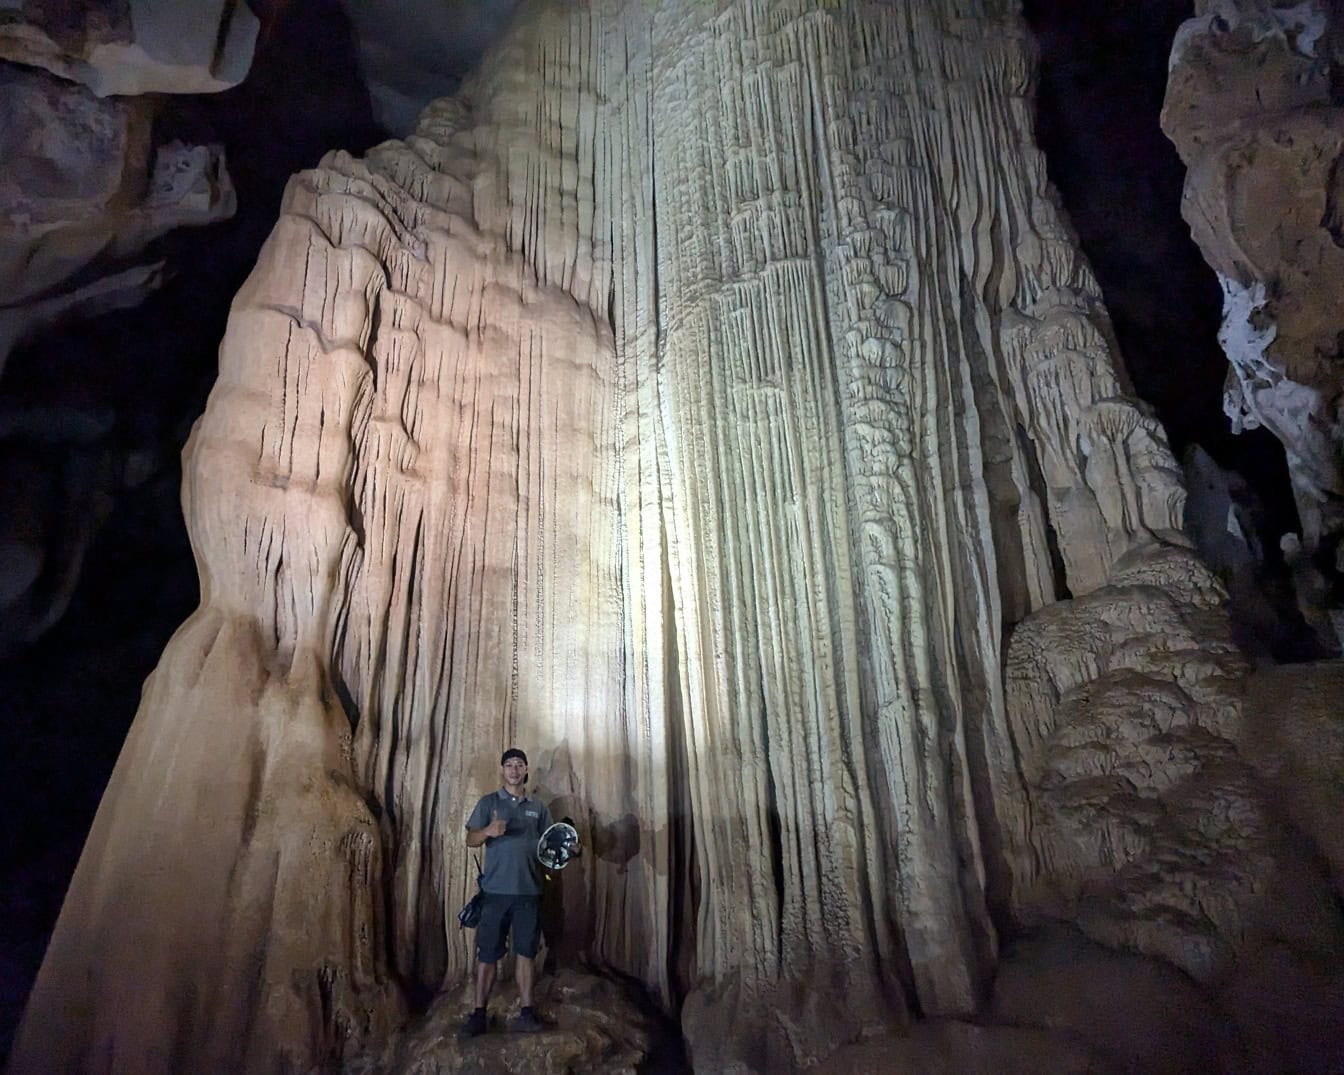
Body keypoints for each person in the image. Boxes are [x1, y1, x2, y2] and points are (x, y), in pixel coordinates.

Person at [460, 748, 569, 1036]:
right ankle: (478, 1014)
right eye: (508, 764)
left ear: (526, 770)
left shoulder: (538, 808)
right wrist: (487, 832)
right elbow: (470, 838)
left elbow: (552, 844)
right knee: (488, 955)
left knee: (526, 953)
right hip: (495, 893)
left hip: (529, 892)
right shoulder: (488, 803)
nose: (514, 769)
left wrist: (572, 849)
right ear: (502, 770)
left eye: (519, 764)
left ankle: (527, 1011)